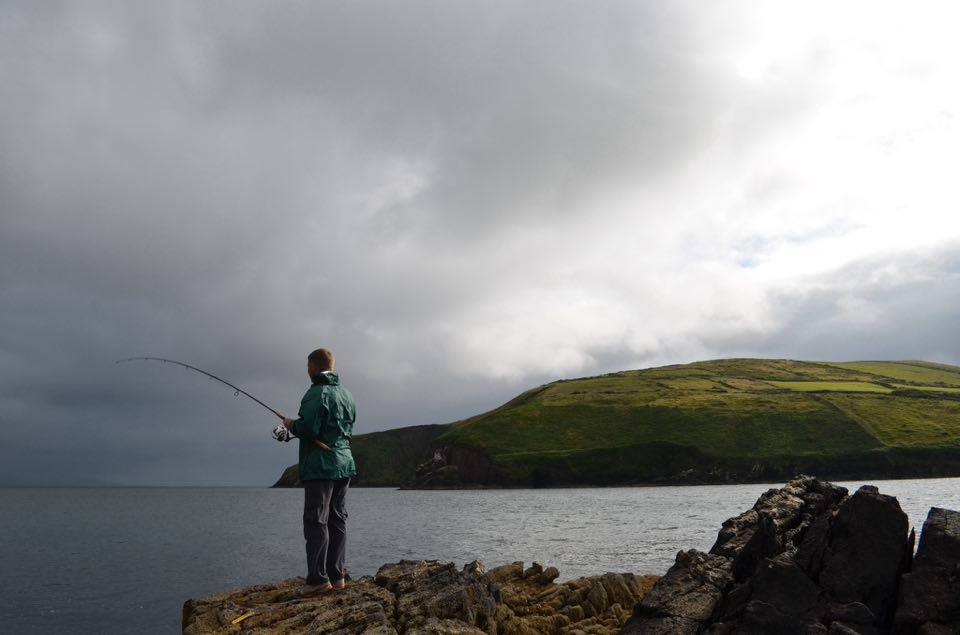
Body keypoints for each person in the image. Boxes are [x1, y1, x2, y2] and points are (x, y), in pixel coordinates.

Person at [281, 347, 357, 591]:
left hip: (321, 467)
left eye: (308, 367)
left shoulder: (316, 393)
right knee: (337, 519)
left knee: (316, 520)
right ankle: (338, 576)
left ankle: (318, 580)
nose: (307, 371)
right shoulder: (347, 394)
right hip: (344, 464)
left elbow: (309, 429)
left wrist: (292, 425)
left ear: (314, 367)